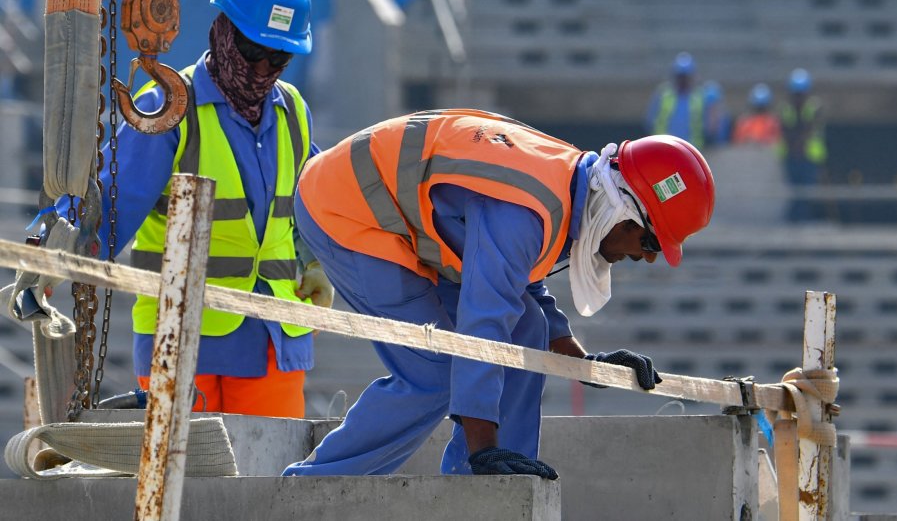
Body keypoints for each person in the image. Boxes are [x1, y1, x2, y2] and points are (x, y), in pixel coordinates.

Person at [282, 109, 715, 479]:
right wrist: (483, 446)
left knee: (529, 327)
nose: (648, 259)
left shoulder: (566, 190)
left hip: (394, 215)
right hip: (345, 210)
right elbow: (483, 321)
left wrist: (584, 363)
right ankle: (307, 492)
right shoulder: (527, 211)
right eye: (651, 244)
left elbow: (521, 288)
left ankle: (491, 491)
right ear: (623, 216)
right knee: (433, 376)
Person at [67, 0, 328, 417]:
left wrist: (317, 263)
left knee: (271, 482)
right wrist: (54, 256)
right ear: (223, 31)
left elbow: (313, 200)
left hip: (274, 337)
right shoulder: (169, 108)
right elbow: (110, 203)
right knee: (182, 483)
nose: (264, 67)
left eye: (279, 57)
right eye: (253, 50)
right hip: (181, 336)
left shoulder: (293, 113)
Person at [778, 68, 826, 222]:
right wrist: (794, 146)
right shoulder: (786, 109)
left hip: (809, 157)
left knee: (806, 192)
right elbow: (785, 131)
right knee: (794, 192)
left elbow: (810, 129)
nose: (798, 97)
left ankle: (801, 220)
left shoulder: (814, 107)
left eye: (801, 93)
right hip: (791, 157)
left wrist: (799, 144)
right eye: (795, 94)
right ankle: (794, 221)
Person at [646, 52, 706, 147]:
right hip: (665, 148)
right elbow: (650, 121)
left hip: (692, 150)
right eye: (680, 76)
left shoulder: (699, 98)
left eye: (686, 77)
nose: (683, 80)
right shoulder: (663, 95)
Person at [700, 80, 732, 149]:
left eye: (715, 108)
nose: (712, 113)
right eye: (708, 108)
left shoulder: (726, 121)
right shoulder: (700, 123)